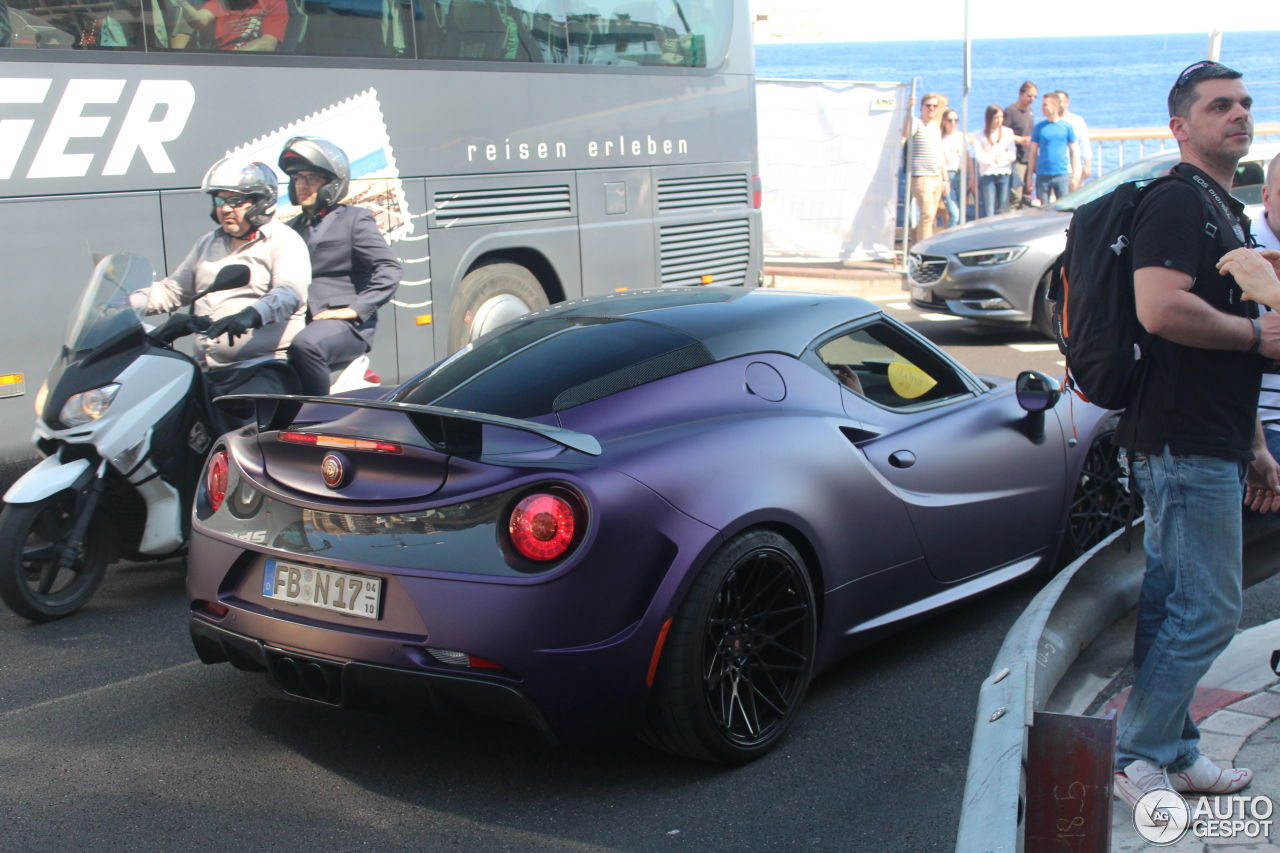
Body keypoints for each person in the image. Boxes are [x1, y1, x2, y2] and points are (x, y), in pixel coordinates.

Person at [1112, 61, 1280, 808]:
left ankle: (1174, 751)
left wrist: (1255, 444)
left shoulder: (1224, 206)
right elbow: (1158, 310)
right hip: (1178, 443)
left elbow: (1224, 353)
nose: (1238, 114)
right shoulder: (1179, 201)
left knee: (1174, 602)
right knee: (1210, 607)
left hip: (1209, 438)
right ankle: (1137, 755)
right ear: (1180, 126)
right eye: (1220, 106)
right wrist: (1256, 334)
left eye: (1244, 103)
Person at [131, 158, 310, 400]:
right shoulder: (208, 243)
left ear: (261, 203)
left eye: (235, 201)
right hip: (208, 370)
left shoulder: (283, 241)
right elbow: (173, 290)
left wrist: (251, 315)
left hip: (262, 368)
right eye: (220, 200)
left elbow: (290, 292)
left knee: (241, 428)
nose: (225, 208)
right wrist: (125, 305)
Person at [278, 136, 402, 397]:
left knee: (306, 345)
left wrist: (355, 310)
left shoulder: (355, 219)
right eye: (297, 178)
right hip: (300, 318)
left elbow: (389, 268)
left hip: (346, 326)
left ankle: (318, 417)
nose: (302, 185)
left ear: (331, 182)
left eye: (311, 178)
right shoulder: (288, 230)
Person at [902, 92, 947, 244]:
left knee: (931, 215)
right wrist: (908, 109)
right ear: (922, 107)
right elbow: (906, 133)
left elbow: (940, 152)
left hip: (936, 176)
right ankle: (924, 251)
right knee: (927, 214)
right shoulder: (916, 122)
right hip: (921, 177)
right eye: (928, 105)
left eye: (935, 106)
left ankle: (917, 238)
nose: (931, 109)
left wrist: (945, 178)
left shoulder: (935, 126)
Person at [1026, 92, 1078, 205]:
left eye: (1045, 105)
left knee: (1063, 207)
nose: (1042, 107)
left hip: (1062, 174)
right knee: (1043, 209)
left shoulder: (1067, 126)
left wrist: (1074, 176)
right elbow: (1033, 152)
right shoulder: (1039, 128)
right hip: (1042, 174)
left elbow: (1074, 151)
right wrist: (1029, 176)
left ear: (1055, 106)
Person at [170, 0, 285, 50]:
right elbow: (199, 21)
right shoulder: (222, 2)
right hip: (220, 63)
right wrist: (181, 2)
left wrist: (230, 58)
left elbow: (268, 43)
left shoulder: (275, 2)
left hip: (252, 65)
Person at [974, 104, 1017, 217]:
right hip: (988, 174)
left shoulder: (1008, 132)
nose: (999, 120)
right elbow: (979, 156)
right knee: (989, 210)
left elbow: (1012, 154)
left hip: (1004, 172)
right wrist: (996, 156)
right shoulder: (980, 134)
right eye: (996, 117)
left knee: (1003, 208)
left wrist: (998, 159)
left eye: (1001, 117)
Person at [1003, 81, 1037, 209]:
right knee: (1015, 195)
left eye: (1034, 96)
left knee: (1027, 195)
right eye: (1029, 95)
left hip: (1029, 157)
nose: (1032, 99)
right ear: (1021, 94)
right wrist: (1020, 140)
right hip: (1016, 159)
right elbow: (1003, 133)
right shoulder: (1010, 111)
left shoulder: (1030, 111)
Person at [1056, 90, 1093, 186]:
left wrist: (1087, 165)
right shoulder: (1049, 123)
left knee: (1077, 198)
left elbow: (1084, 143)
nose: (1059, 104)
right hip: (1055, 169)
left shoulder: (1077, 121)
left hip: (1075, 168)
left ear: (1067, 102)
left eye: (1061, 101)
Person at [939, 109, 966, 228]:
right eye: (950, 120)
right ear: (944, 121)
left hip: (962, 175)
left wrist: (971, 178)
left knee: (962, 213)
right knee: (954, 214)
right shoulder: (941, 139)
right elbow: (941, 162)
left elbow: (968, 158)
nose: (953, 123)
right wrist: (945, 180)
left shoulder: (961, 137)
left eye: (956, 120)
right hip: (948, 175)